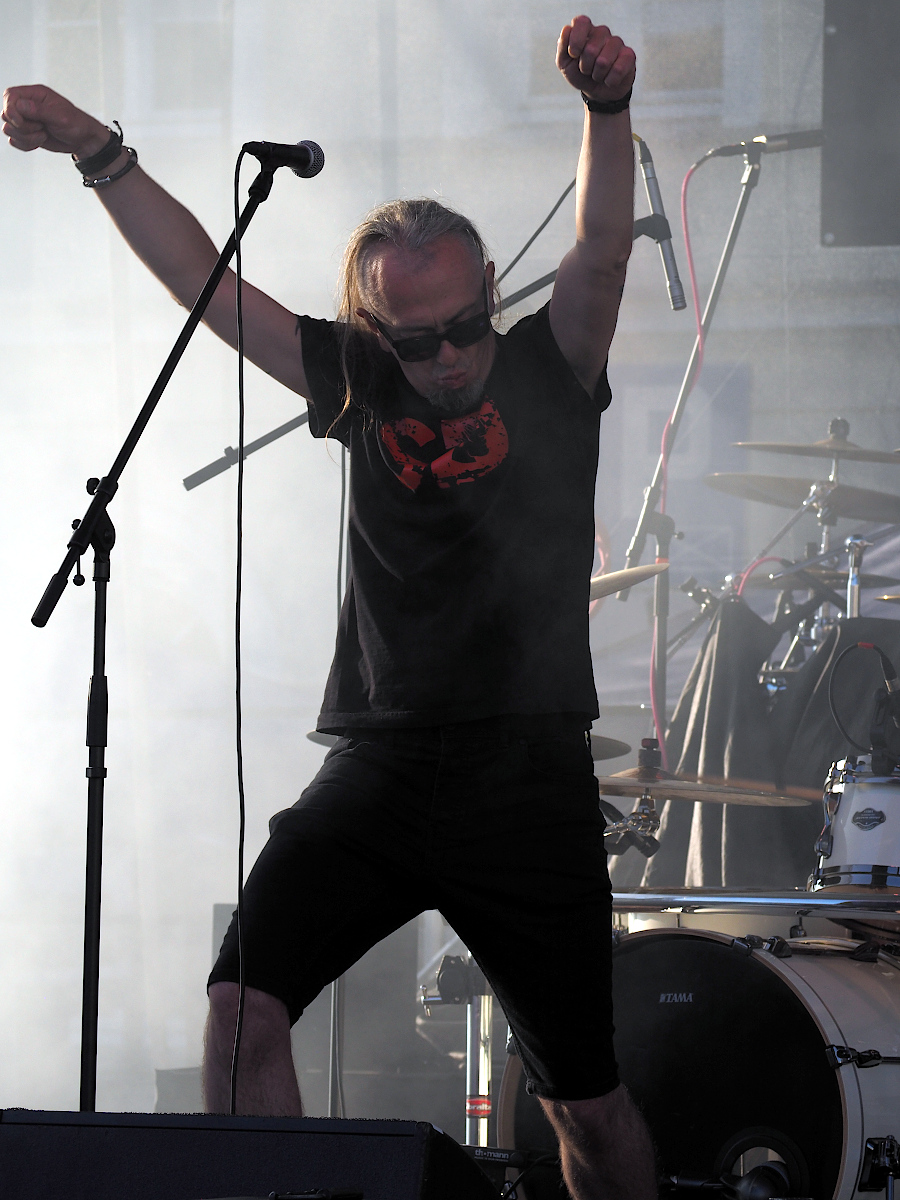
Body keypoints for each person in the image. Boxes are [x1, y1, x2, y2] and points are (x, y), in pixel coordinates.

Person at [4, 16, 656, 1198]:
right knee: (239, 1010)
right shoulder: (355, 381)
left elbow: (602, 250)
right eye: (416, 342)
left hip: (526, 777)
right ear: (372, 331)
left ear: (490, 295)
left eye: (465, 326)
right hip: (381, 766)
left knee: (585, 1106)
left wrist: (606, 111)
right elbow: (208, 287)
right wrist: (102, 151)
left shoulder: (550, 365)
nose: (449, 357)